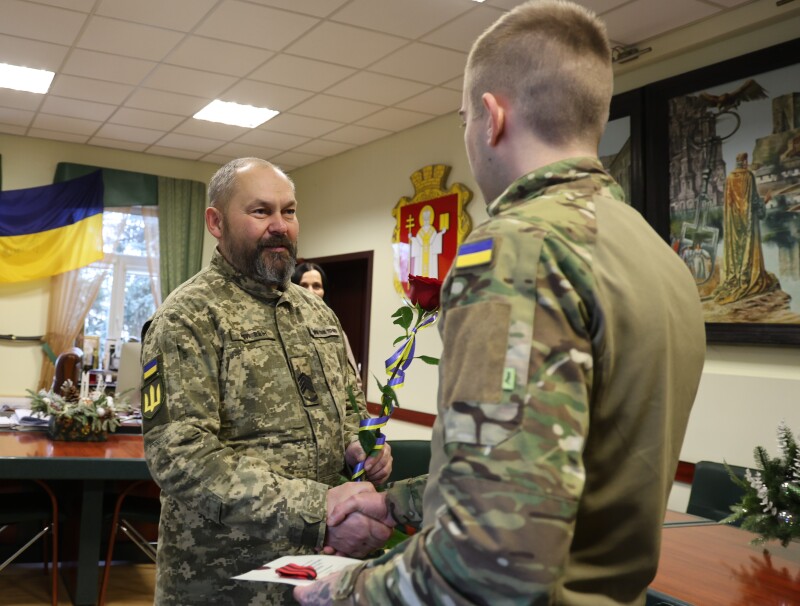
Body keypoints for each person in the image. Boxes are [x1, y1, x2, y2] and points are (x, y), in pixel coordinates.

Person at [295, 1, 706, 604]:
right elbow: (551, 472)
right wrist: (390, 501)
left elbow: (490, 562)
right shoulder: (657, 256)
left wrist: (338, 592)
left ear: (490, 117)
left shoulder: (520, 247)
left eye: (463, 118)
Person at [140, 157, 393, 606]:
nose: (280, 226)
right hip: (224, 577)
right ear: (216, 222)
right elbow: (180, 456)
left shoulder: (318, 313)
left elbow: (352, 410)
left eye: (289, 211)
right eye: (261, 212)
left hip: (319, 566)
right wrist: (322, 507)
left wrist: (360, 446)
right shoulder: (185, 317)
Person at [713, 151, 777, 304]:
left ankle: (735, 277)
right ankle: (747, 279)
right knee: (748, 249)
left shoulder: (729, 178)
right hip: (747, 223)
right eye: (747, 160)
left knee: (736, 250)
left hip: (733, 223)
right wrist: (765, 201)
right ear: (745, 161)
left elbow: (729, 203)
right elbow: (754, 202)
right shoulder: (748, 176)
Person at [291, 262, 362, 389]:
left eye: (317, 286)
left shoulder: (334, 330)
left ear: (324, 291)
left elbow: (354, 381)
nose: (310, 291)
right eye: (303, 285)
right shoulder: (284, 327)